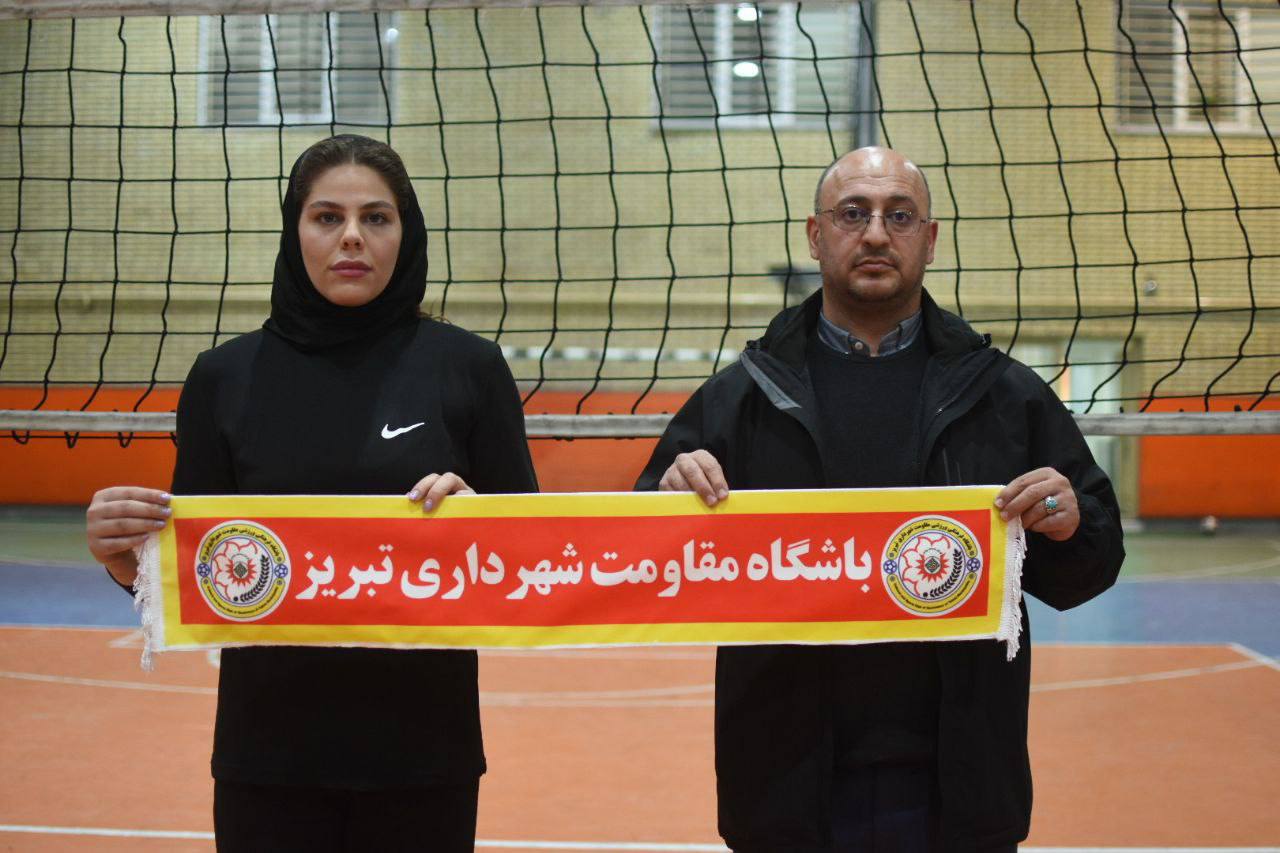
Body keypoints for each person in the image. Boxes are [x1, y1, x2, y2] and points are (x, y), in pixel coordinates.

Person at [636, 147, 1124, 852]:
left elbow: (1089, 567)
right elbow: (647, 567)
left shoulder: (1005, 395)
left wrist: (1071, 524)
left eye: (899, 216)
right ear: (815, 235)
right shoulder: (739, 398)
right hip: (783, 789)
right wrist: (668, 501)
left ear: (930, 239)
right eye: (852, 213)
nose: (874, 234)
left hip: (957, 789)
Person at [85, 134, 538, 851]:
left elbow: (532, 562)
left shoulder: (470, 368)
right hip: (267, 758)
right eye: (327, 217)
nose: (352, 236)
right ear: (295, 230)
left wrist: (476, 525)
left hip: (424, 755)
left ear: (406, 232)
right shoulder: (223, 378)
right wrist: (126, 563)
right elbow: (200, 572)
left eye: (376, 217)